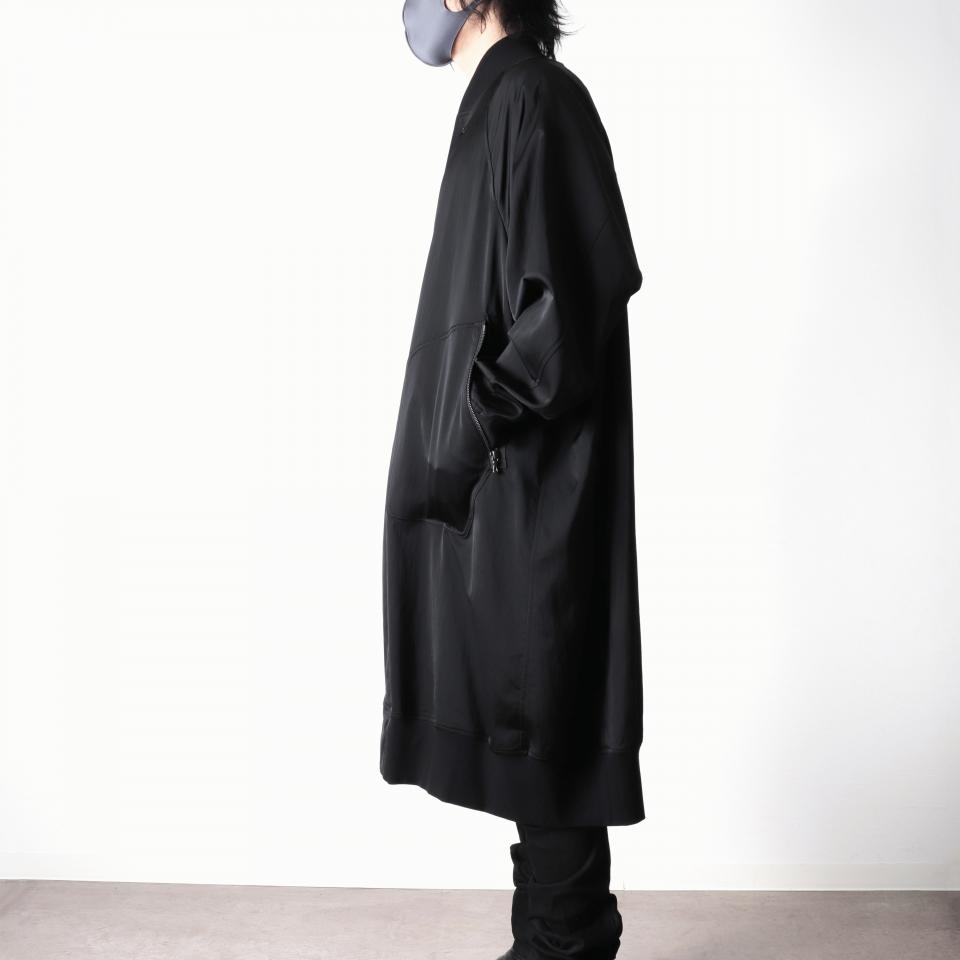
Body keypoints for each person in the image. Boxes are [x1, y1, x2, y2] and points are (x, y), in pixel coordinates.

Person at [382, 3, 644, 957]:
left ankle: (565, 940)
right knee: (523, 711)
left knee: (548, 712)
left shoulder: (536, 98)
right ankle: (554, 934)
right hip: (498, 478)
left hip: (531, 483)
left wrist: (469, 424)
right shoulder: (501, 104)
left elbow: (561, 312)